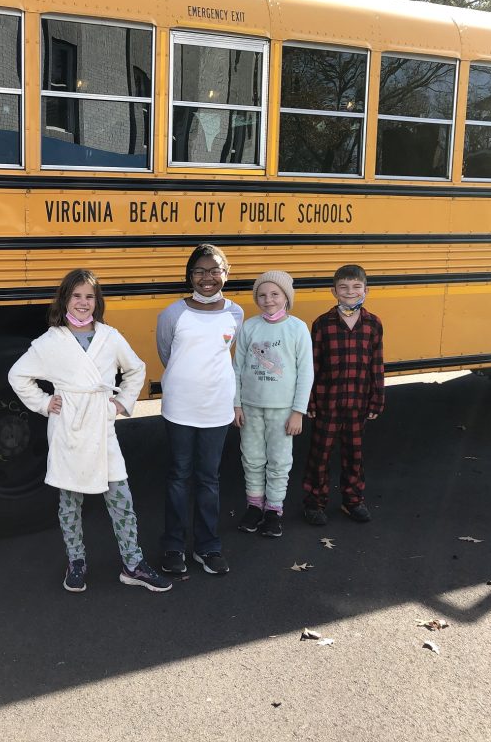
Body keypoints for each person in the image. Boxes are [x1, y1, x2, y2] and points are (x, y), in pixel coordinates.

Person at [8, 269, 171, 593]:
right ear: (65, 299)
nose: (83, 303)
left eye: (89, 297)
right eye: (76, 296)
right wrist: (44, 403)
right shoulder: (51, 341)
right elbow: (18, 375)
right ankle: (76, 561)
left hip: (101, 424)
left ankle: (133, 564)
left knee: (121, 497)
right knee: (69, 501)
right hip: (68, 428)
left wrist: (121, 403)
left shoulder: (110, 337)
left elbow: (136, 368)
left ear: (97, 302)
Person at [155, 244, 243, 576]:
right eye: (199, 271)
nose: (208, 278)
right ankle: (173, 546)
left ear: (226, 273)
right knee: (179, 476)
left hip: (216, 408)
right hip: (179, 407)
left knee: (209, 478)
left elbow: (226, 354)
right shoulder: (173, 313)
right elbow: (167, 353)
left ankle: (207, 546)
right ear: (189, 276)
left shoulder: (235, 313)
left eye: (215, 270)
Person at [301, 264, 385, 525]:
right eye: (344, 287)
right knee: (320, 456)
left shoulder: (373, 324)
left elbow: (376, 365)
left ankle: (353, 500)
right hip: (327, 402)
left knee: (354, 456)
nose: (350, 292)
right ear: (334, 291)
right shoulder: (322, 324)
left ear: (366, 290)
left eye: (356, 287)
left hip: (358, 402)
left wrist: (377, 398)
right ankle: (314, 503)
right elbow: (313, 365)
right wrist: (309, 400)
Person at [233, 271, 314, 538]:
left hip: (283, 409)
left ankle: (273, 510)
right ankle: (254, 505)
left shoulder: (297, 328)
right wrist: (237, 404)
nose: (268, 300)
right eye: (262, 295)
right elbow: (237, 367)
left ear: (286, 297)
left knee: (279, 461)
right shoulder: (249, 327)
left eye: (275, 294)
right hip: (251, 406)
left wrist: (298, 412)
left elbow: (306, 372)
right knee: (252, 458)